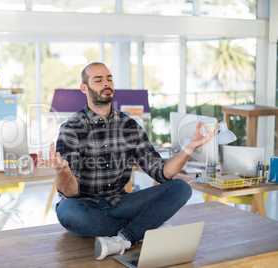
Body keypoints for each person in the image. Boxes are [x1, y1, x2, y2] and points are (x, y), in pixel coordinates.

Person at [38, 62, 218, 260]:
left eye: (109, 79)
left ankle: (123, 237)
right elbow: (70, 192)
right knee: (67, 210)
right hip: (86, 208)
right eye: (98, 80)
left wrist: (189, 148)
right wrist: (62, 170)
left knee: (181, 188)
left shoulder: (130, 126)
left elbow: (162, 173)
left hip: (121, 203)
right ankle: (140, 230)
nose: (106, 84)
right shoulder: (71, 128)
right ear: (84, 88)